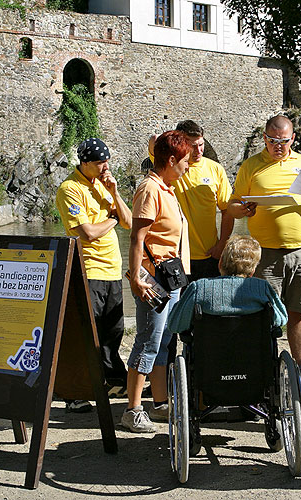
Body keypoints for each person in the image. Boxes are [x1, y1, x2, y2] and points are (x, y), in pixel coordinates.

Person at [228, 114, 301, 399]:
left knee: (299, 314)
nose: (279, 146)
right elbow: (234, 204)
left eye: (284, 141)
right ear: (265, 138)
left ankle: (300, 378)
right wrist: (244, 209)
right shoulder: (251, 166)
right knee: (265, 316)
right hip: (265, 252)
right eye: (273, 141)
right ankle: (265, 379)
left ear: (293, 139)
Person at [55, 137, 132, 413]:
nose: (105, 167)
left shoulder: (103, 185)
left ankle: (112, 380)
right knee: (87, 333)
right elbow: (86, 233)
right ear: (84, 163)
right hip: (88, 269)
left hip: (111, 269)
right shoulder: (70, 189)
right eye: (100, 163)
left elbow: (129, 221)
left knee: (114, 329)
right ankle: (74, 391)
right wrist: (111, 218)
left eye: (107, 162)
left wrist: (114, 192)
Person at [122, 130, 192, 433]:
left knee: (162, 342)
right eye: (185, 161)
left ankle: (160, 404)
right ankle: (133, 409)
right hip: (154, 280)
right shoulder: (150, 189)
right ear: (172, 159)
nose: (188, 166)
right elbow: (137, 238)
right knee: (148, 343)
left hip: (168, 277)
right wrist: (137, 279)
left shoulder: (166, 188)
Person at [149, 120, 235, 281]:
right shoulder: (171, 165)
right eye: (192, 145)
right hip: (175, 254)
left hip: (208, 254)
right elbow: (154, 141)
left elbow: (227, 211)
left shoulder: (215, 169)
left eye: (201, 144)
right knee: (178, 305)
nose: (198, 150)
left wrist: (221, 244)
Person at [167, 235, 287, 334]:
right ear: (252, 271)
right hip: (254, 356)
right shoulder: (262, 288)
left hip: (208, 358)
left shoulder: (199, 288)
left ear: (220, 264)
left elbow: (175, 325)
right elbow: (281, 319)